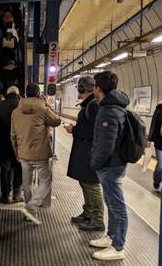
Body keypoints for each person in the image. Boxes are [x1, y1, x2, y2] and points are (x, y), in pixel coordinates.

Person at [89, 71, 130, 261]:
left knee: (117, 206)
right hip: (111, 165)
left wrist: (95, 163)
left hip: (110, 165)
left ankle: (118, 247)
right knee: (111, 203)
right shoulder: (112, 107)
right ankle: (111, 236)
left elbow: (106, 144)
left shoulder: (109, 111)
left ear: (98, 89)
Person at [11, 83, 61, 225]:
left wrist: (16, 152)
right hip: (41, 154)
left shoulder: (16, 112)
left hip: (24, 153)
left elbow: (12, 135)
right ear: (39, 94)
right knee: (46, 181)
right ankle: (31, 207)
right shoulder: (44, 110)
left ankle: (30, 212)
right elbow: (57, 121)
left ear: (25, 94)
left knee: (27, 183)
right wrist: (47, 105)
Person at [64, 76, 105, 232]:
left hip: (90, 152)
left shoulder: (93, 106)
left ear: (82, 89)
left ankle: (98, 220)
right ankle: (88, 213)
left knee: (92, 185)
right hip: (85, 150)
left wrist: (74, 129)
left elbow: (93, 131)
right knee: (85, 183)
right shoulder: (90, 105)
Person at [0, 86, 22, 204]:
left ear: (7, 93)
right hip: (20, 143)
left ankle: (5, 196)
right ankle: (17, 194)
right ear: (17, 93)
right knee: (19, 168)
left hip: (3, 143)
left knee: (5, 170)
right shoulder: (22, 105)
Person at [147, 93, 162, 190]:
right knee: (161, 165)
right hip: (160, 141)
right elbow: (153, 124)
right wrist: (149, 139)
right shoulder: (159, 109)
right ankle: (157, 180)